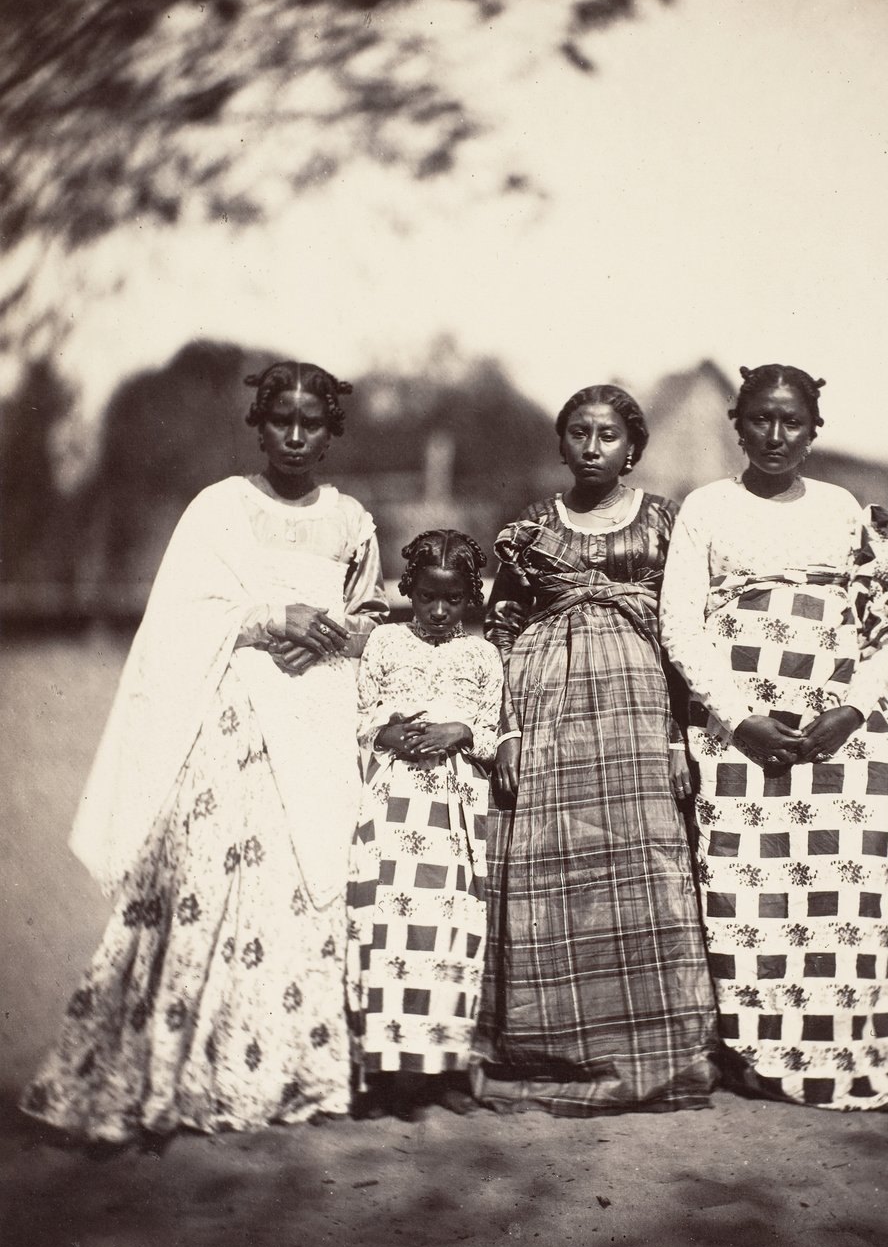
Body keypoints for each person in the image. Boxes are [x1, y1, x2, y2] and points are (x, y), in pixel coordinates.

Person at [21, 361, 389, 1145]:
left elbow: (368, 617)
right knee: (199, 879)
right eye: (280, 418)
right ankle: (158, 1074)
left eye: (312, 422)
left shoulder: (352, 520)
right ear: (258, 424)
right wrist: (267, 618)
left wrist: (332, 637)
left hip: (314, 716)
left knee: (303, 885)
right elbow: (178, 618)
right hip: (231, 718)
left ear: (332, 431)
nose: (296, 434)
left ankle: (285, 1072)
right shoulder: (219, 509)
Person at [659, 363, 888, 1111]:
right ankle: (760, 1047)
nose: (776, 436)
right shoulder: (706, 508)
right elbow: (680, 623)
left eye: (793, 423)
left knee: (859, 865)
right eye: (761, 420)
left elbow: (882, 627)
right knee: (752, 888)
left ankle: (853, 1036)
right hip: (738, 724)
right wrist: (738, 715)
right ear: (736, 423)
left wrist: (853, 708)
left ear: (814, 431)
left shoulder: (845, 510)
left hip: (837, 719)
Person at [472, 384, 718, 1116]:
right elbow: (502, 630)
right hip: (549, 715)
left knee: (643, 866)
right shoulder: (531, 530)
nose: (591, 446)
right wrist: (508, 729)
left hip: (640, 721)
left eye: (607, 435)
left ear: (633, 448)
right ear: (562, 443)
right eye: (578, 432)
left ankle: (657, 1053)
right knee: (555, 866)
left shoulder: (667, 526)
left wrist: (680, 738)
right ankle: (547, 1051)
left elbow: (684, 637)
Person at [346, 530, 502, 1119]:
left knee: (448, 932)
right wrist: (387, 733)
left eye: (454, 600)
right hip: (392, 806)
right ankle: (386, 1073)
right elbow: (361, 716)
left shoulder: (482, 654)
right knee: (387, 926)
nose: (439, 612)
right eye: (428, 598)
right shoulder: (386, 644)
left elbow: (491, 729)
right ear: (408, 592)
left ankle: (440, 1070)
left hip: (455, 812)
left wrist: (458, 732)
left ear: (471, 599)